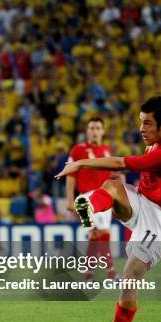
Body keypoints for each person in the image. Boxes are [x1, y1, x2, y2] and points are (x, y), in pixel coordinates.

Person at [55, 96, 161, 322]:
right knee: (112, 186)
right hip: (143, 201)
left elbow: (121, 162)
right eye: (140, 122)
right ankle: (89, 203)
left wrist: (80, 164)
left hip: (160, 221)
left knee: (130, 278)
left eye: (147, 124)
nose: (141, 129)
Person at [66, 117, 117, 280]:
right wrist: (69, 200)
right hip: (85, 198)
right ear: (87, 131)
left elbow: (109, 176)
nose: (94, 131)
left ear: (102, 131)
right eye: (91, 128)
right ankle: (111, 274)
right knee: (103, 233)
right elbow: (70, 176)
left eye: (97, 128)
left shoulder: (107, 150)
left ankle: (88, 276)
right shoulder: (78, 150)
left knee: (96, 236)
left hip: (104, 197)